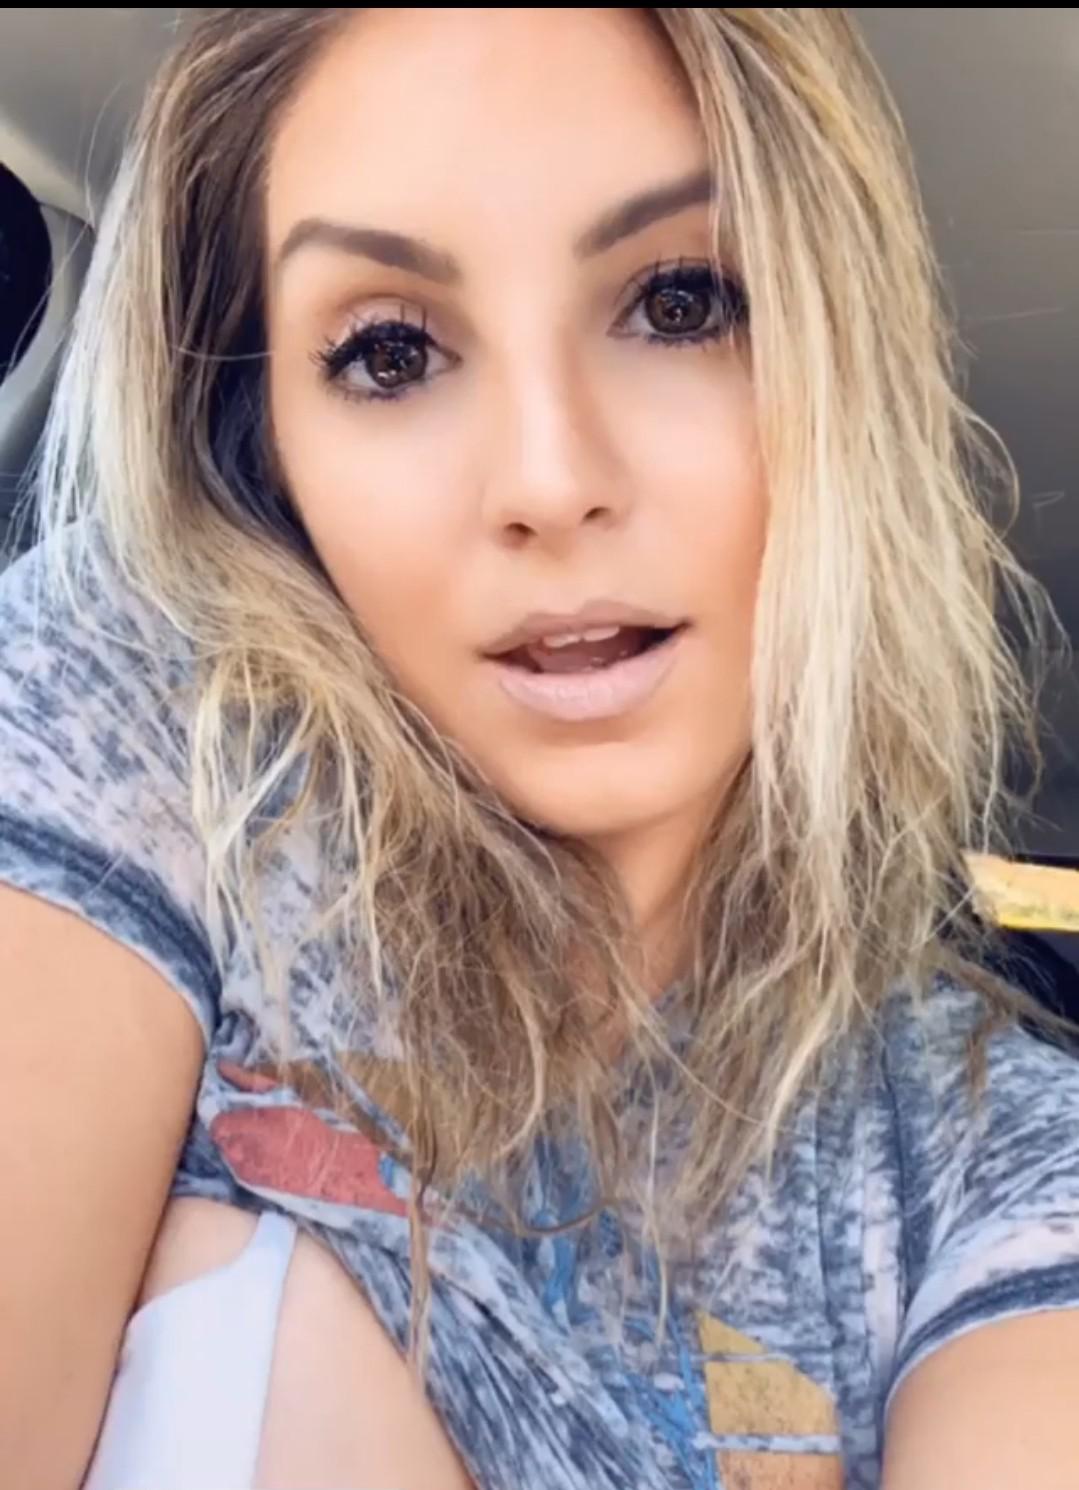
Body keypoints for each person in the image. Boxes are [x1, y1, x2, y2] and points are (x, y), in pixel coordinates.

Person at [2, 8, 1078, 1488]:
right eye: (389, 352)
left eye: (682, 303)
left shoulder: (994, 1154)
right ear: (272, 448)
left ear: (846, 372)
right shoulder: (151, 718)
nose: (550, 479)